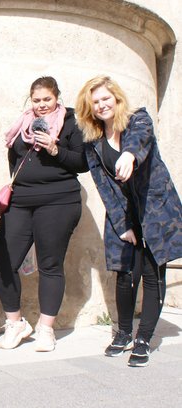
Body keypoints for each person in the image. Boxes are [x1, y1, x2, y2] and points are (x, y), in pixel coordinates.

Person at [75, 75, 182, 367]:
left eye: (106, 98)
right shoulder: (93, 142)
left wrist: (130, 155)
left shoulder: (138, 119)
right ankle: (123, 333)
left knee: (152, 272)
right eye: (95, 102)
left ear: (117, 98)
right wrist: (122, 225)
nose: (101, 105)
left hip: (154, 208)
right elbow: (102, 185)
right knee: (124, 273)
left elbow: (140, 140)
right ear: (90, 108)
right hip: (123, 211)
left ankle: (144, 338)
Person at [0, 76, 89, 352]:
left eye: (47, 99)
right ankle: (16, 323)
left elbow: (82, 162)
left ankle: (46, 329)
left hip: (59, 200)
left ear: (57, 97)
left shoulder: (73, 122)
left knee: (50, 264)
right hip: (21, 201)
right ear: (30, 100)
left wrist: (55, 148)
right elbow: (15, 159)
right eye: (37, 100)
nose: (42, 105)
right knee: (1, 258)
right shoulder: (23, 123)